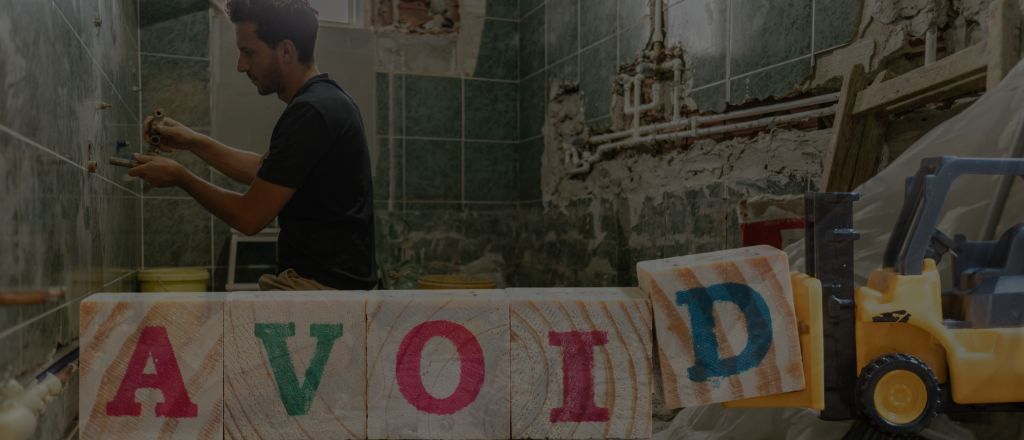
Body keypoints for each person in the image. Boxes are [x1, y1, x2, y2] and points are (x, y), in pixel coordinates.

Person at [129, 0, 377, 291]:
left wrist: (180, 177)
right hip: (331, 288)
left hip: (320, 292)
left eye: (249, 52)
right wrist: (192, 141)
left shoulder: (311, 112)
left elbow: (249, 217)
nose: (240, 65)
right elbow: (266, 171)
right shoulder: (327, 101)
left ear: (286, 51)